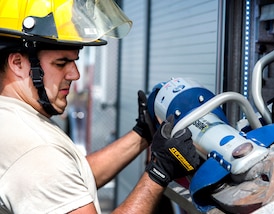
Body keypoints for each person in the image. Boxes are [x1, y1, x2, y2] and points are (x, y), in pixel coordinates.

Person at [0, 0, 200, 213]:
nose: (75, 74)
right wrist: (160, 172)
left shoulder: (12, 116)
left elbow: (71, 181)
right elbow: (52, 172)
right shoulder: (37, 151)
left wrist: (142, 133)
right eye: (61, 63)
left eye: (75, 61)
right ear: (18, 63)